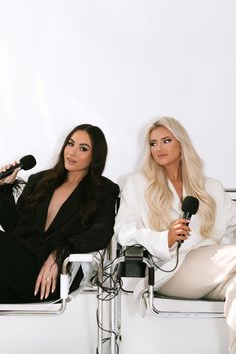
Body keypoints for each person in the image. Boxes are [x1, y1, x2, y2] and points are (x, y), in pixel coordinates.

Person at [115, 116, 236, 354]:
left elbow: (232, 226)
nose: (158, 148)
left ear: (181, 144)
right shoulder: (137, 184)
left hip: (216, 269)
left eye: (166, 141)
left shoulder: (210, 186)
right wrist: (165, 239)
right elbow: (124, 231)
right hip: (171, 270)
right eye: (153, 143)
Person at [0, 124, 119, 303]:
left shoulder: (104, 190)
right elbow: (15, 228)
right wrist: (5, 187)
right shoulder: (39, 180)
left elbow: (101, 233)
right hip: (21, 267)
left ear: (95, 156)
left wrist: (60, 252)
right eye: (70, 144)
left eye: (83, 148)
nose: (71, 153)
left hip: (58, 275)